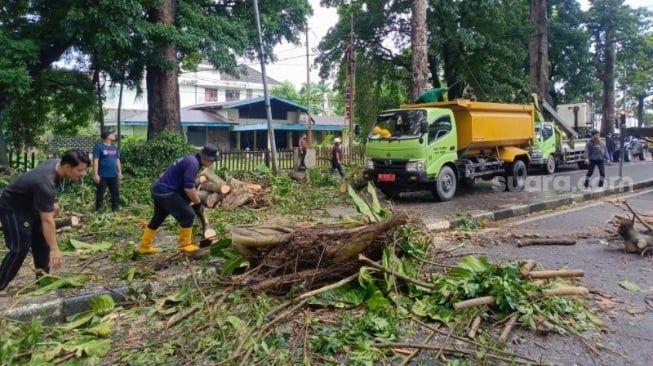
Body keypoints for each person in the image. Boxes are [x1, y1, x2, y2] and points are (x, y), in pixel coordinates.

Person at [0, 149, 90, 295]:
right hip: (13, 208)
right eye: (80, 170)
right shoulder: (44, 182)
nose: (83, 173)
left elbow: (49, 194)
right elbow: (47, 220)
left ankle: (43, 281)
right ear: (67, 167)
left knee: (42, 241)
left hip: (32, 205)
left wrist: (53, 202)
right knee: (19, 248)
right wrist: (55, 249)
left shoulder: (56, 165)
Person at [139, 145, 219, 255]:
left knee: (158, 217)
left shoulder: (190, 159)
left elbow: (183, 181)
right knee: (188, 215)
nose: (212, 163)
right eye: (212, 161)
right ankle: (185, 245)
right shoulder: (193, 163)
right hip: (166, 192)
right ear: (205, 158)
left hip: (158, 190)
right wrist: (198, 203)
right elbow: (189, 188)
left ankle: (144, 246)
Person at [93, 129, 122, 211]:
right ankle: (99, 210)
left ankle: (115, 209)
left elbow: (117, 160)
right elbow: (95, 160)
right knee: (100, 193)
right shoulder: (99, 147)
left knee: (115, 193)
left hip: (113, 174)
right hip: (102, 175)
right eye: (112, 134)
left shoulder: (114, 147)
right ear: (107, 136)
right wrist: (95, 175)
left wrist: (119, 172)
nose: (114, 135)